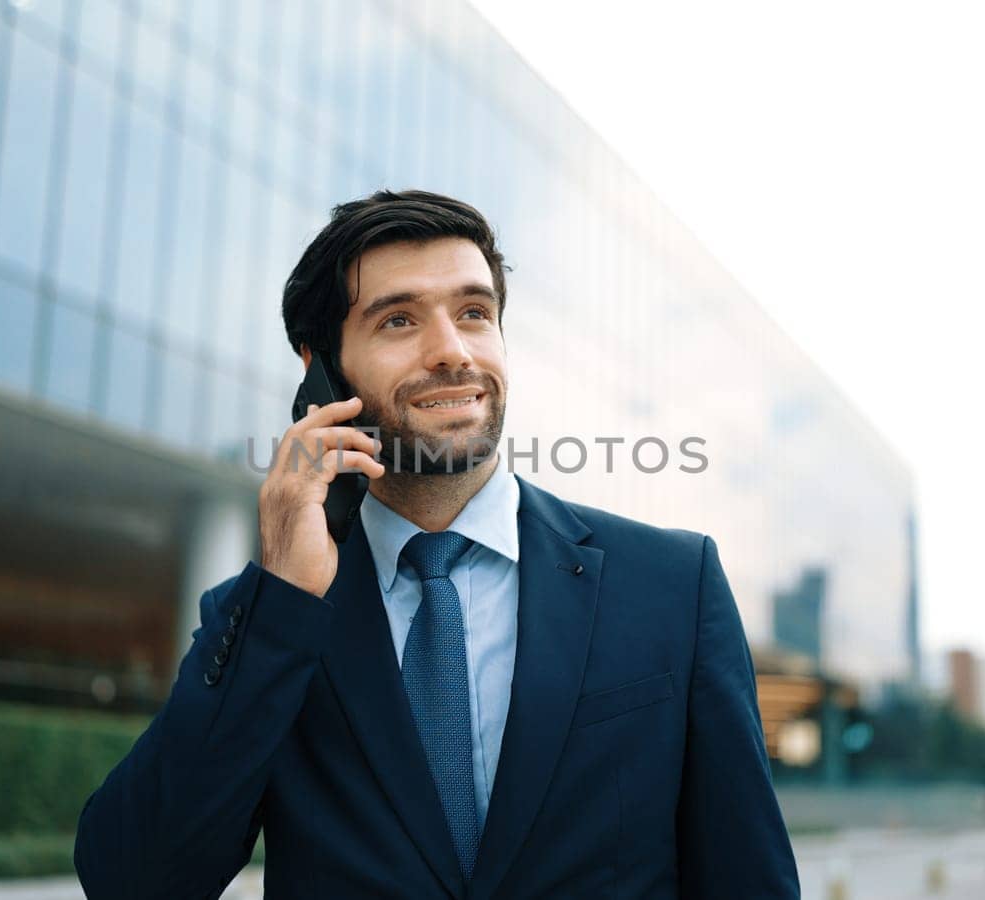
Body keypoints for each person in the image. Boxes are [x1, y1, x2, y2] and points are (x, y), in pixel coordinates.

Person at [74, 190, 799, 899]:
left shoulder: (673, 584)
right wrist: (284, 601)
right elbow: (134, 880)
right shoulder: (268, 617)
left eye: (474, 313)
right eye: (398, 321)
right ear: (319, 371)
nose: (452, 352)